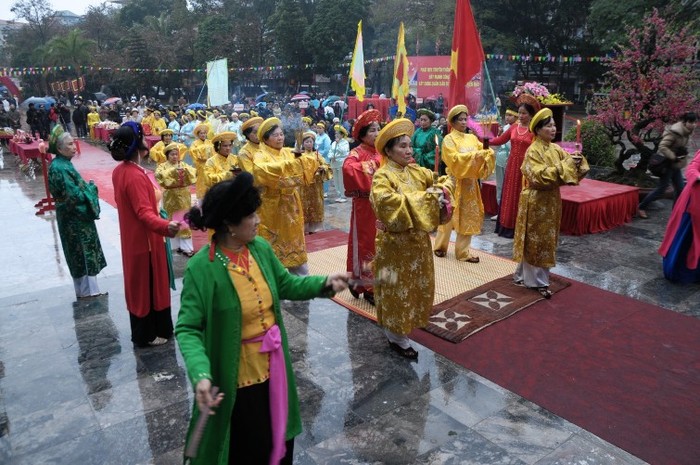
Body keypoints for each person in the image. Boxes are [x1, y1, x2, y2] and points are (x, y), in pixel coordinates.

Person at [175, 173, 349, 465]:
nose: (258, 221)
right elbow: (188, 328)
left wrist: (324, 284)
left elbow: (286, 285)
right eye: (251, 215)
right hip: (236, 378)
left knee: (279, 440)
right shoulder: (201, 268)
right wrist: (201, 375)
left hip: (275, 368)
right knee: (247, 447)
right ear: (229, 224)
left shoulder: (261, 250)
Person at [370, 118, 453, 359]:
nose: (409, 151)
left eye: (409, 145)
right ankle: (396, 336)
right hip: (395, 246)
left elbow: (443, 182)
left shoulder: (416, 171)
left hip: (417, 243)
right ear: (388, 150)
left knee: (415, 287)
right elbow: (387, 204)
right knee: (396, 288)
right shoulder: (382, 176)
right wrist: (427, 198)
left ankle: (404, 327)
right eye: (402, 147)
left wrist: (441, 190)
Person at [109, 121, 181, 347]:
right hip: (146, 241)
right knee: (150, 286)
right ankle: (151, 333)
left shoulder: (120, 171)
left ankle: (145, 332)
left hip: (134, 240)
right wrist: (165, 226)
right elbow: (143, 212)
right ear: (137, 144)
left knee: (139, 285)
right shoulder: (134, 175)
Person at [513, 108, 589, 298]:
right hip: (536, 199)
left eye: (554, 125)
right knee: (535, 240)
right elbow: (539, 176)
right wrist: (567, 165)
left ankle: (524, 275)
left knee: (546, 239)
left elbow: (572, 169)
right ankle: (536, 281)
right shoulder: (533, 151)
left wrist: (577, 162)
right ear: (537, 130)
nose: (553, 129)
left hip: (552, 200)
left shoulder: (556, 149)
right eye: (548, 126)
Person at [47, 126, 107, 299]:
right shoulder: (60, 167)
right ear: (59, 148)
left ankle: (84, 290)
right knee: (82, 251)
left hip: (70, 216)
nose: (74, 147)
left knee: (76, 252)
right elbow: (74, 197)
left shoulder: (62, 164)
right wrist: (91, 189)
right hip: (75, 218)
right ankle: (89, 292)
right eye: (70, 144)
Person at [254, 117, 320, 275]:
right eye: (275, 135)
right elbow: (261, 171)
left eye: (281, 134)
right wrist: (295, 165)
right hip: (272, 208)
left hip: (291, 207)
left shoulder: (288, 152)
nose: (280, 138)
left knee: (294, 244)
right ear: (265, 139)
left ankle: (300, 281)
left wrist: (299, 160)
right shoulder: (260, 155)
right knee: (272, 246)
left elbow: (310, 162)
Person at [433, 105, 495, 262]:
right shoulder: (448, 139)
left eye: (465, 119)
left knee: (468, 216)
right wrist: (476, 155)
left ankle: (463, 252)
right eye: (459, 119)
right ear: (452, 122)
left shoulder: (472, 138)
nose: (463, 122)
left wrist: (487, 153)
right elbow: (453, 159)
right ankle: (440, 246)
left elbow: (484, 152)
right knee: (447, 215)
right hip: (454, 182)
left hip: (470, 184)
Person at [342, 109, 382, 305]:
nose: (377, 133)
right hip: (365, 206)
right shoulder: (356, 153)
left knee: (381, 243)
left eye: (378, 129)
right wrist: (374, 165)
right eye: (373, 130)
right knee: (366, 244)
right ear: (363, 133)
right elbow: (349, 170)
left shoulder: (383, 152)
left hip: (383, 204)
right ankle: (368, 286)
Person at [488, 94, 539, 237]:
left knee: (520, 195)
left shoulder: (534, 131)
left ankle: (519, 226)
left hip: (525, 168)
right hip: (511, 166)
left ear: (531, 115)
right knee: (509, 194)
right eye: (520, 113)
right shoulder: (514, 127)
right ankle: (506, 225)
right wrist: (484, 139)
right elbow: (499, 140)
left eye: (524, 113)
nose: (521, 116)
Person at [638, 112, 697, 219]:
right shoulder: (675, 132)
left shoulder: (687, 132)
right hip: (667, 164)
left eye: (695, 122)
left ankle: (676, 212)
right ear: (684, 122)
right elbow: (663, 146)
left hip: (675, 164)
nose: (694, 124)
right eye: (691, 122)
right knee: (662, 188)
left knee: (680, 188)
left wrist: (681, 152)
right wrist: (673, 156)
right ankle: (641, 207)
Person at [658, 150, 700, 283]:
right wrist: (698, 177)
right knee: (688, 237)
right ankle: (682, 273)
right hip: (695, 201)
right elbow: (692, 168)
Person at [154, 143, 197, 257]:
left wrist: (184, 170)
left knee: (184, 220)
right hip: (170, 196)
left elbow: (192, 173)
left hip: (183, 195)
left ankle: (187, 248)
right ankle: (175, 245)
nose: (174, 157)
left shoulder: (182, 164)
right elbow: (159, 175)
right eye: (172, 154)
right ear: (167, 156)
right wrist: (173, 171)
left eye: (176, 154)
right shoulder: (163, 166)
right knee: (171, 219)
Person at [299, 130, 332, 234]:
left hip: (316, 186)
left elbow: (326, 165)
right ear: (303, 143)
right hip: (304, 185)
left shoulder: (317, 154)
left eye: (311, 142)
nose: (309, 144)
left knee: (316, 205)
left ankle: (315, 228)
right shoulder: (299, 155)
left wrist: (323, 168)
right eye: (307, 142)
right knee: (303, 205)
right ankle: (304, 228)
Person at [492, 108, 518, 219]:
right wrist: (499, 134)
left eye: (510, 115)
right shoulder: (504, 128)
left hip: (510, 160)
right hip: (500, 159)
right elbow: (497, 145)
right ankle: (500, 211)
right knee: (500, 186)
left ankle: (509, 212)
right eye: (506, 115)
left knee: (509, 187)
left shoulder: (516, 129)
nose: (507, 117)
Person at [189, 123, 215, 199]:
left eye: (204, 133)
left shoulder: (210, 142)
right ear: (198, 134)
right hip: (201, 165)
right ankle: (201, 197)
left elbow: (214, 153)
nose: (203, 135)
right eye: (201, 133)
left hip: (210, 165)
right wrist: (203, 152)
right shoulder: (194, 143)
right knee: (201, 181)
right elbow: (192, 152)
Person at [329, 124, 350, 203]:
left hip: (341, 163)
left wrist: (338, 145)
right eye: (335, 133)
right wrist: (331, 157)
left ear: (342, 135)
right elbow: (330, 151)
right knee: (336, 179)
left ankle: (343, 195)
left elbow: (344, 151)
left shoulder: (345, 142)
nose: (336, 135)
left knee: (341, 180)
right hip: (334, 162)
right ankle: (339, 194)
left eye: (337, 133)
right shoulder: (333, 142)